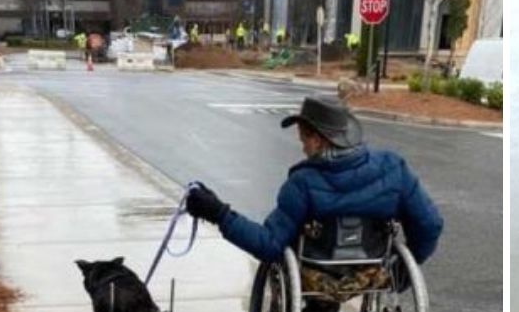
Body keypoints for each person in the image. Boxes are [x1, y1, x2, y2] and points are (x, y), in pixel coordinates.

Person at [185, 95, 443, 271]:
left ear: (319, 140)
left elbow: (270, 246)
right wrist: (399, 273)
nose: (301, 145)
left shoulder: (302, 183)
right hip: (373, 270)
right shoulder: (393, 167)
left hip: (318, 274)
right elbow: (430, 224)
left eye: (303, 138)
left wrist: (219, 214)